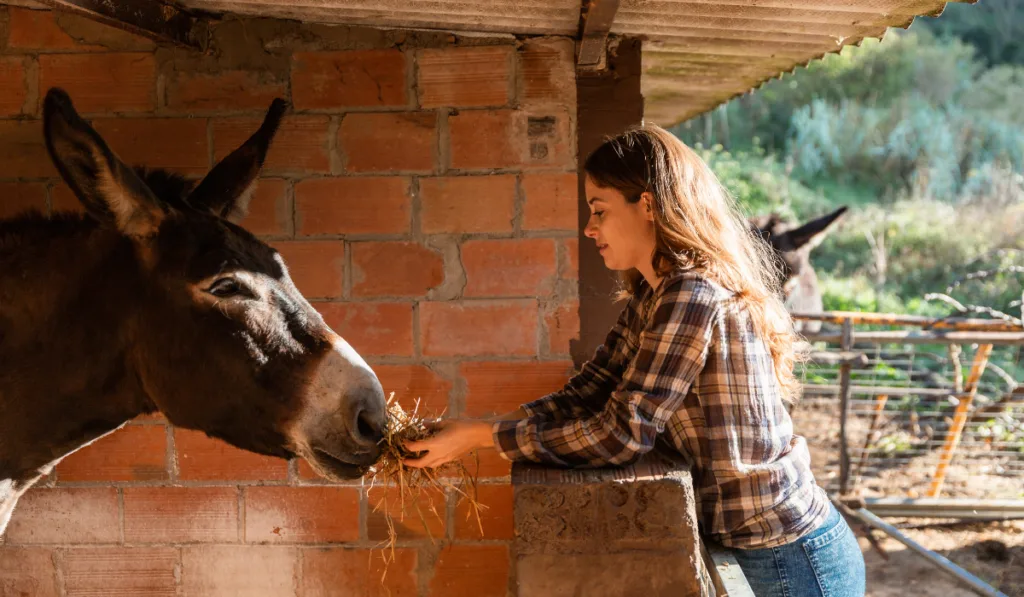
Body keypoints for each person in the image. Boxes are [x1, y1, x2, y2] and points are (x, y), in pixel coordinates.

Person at [403, 124, 866, 596]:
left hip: (789, 559)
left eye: (599, 210)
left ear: (646, 205)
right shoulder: (654, 294)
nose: (589, 228)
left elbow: (623, 434)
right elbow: (589, 391)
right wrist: (479, 429)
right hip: (759, 550)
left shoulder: (692, 293)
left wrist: (482, 438)